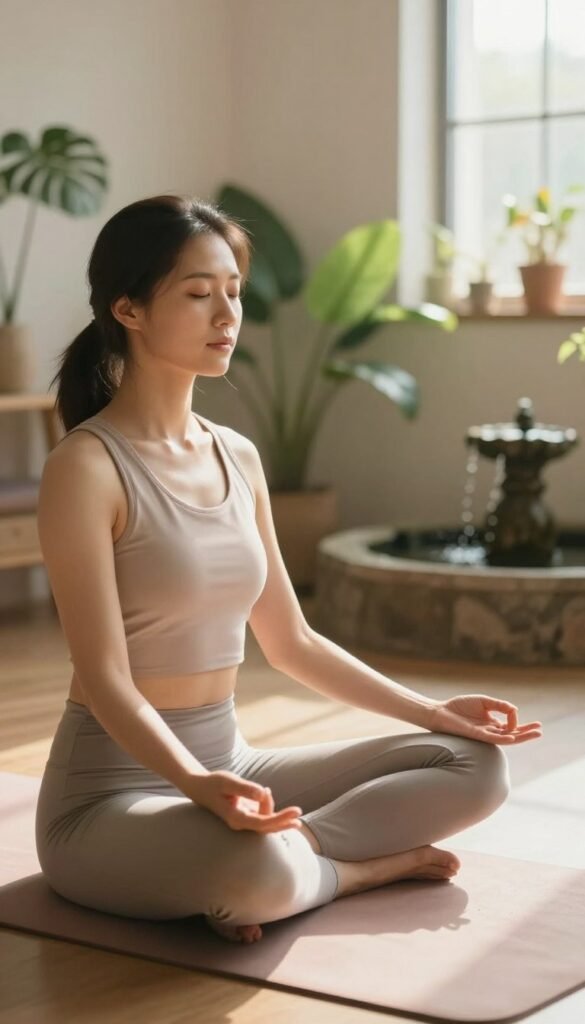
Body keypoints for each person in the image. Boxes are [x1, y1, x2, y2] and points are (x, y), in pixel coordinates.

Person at [35, 194, 542, 945]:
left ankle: (282, 870)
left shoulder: (235, 455)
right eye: (198, 294)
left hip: (235, 764)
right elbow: (106, 680)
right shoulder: (85, 467)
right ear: (129, 310)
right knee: (254, 870)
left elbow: (292, 643)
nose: (226, 315)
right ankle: (345, 871)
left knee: (475, 765)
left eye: (232, 293)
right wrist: (198, 788)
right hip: (112, 798)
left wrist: (433, 713)